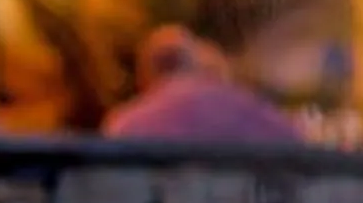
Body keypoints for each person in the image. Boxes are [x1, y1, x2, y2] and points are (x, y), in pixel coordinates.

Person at [103, 26, 306, 145]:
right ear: (193, 63)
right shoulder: (252, 111)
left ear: (145, 76)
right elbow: (297, 143)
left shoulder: (126, 125)